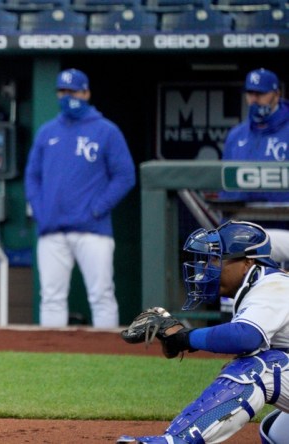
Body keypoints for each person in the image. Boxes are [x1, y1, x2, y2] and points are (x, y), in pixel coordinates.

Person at [117, 220, 289, 444]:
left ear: (247, 263)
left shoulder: (274, 286)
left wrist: (184, 338)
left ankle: (175, 441)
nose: (208, 268)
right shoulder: (259, 287)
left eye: (218, 259)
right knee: (276, 434)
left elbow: (244, 337)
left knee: (258, 368)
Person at [24, 68, 136, 329]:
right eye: (62, 91)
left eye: (73, 91)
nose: (67, 96)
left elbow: (125, 176)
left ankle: (107, 358)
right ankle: (51, 359)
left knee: (101, 295)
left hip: (93, 229)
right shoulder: (47, 132)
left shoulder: (106, 130)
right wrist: (41, 212)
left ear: (86, 93)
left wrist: (98, 208)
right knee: (51, 298)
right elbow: (32, 176)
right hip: (53, 230)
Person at [219, 68, 289, 267]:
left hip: (284, 224)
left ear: (277, 94)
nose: (254, 99)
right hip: (246, 225)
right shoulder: (236, 135)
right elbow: (226, 188)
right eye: (250, 93)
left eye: (261, 93)